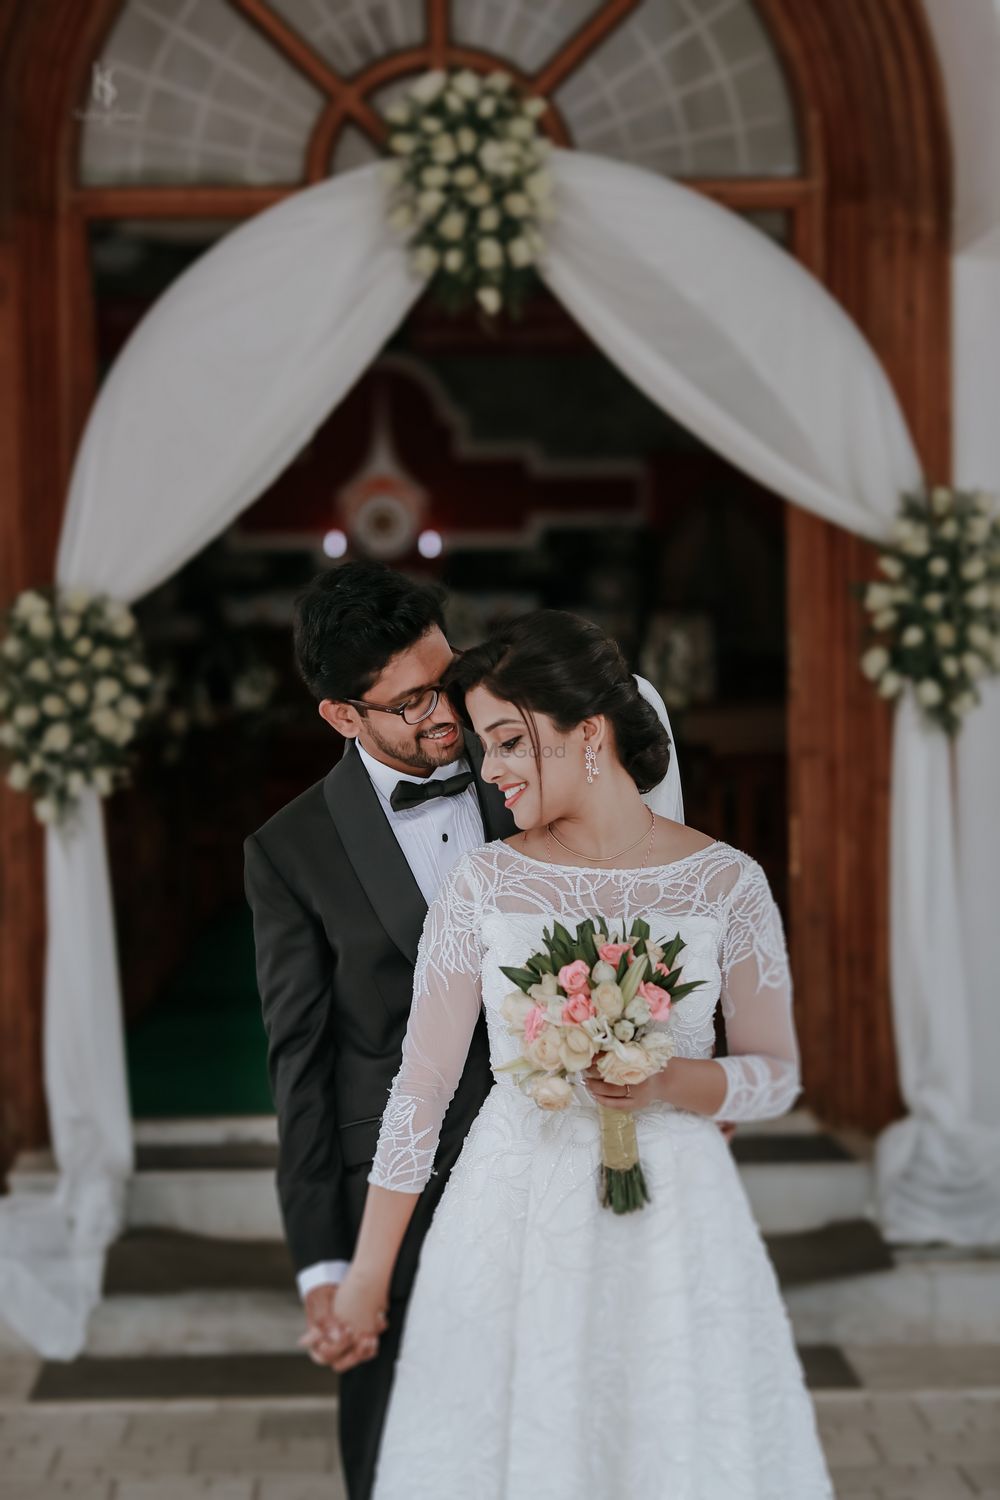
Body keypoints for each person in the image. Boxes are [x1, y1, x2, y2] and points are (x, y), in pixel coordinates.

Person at [329, 608, 835, 1499]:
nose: (491, 771)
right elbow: (421, 1090)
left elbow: (776, 1076)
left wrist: (671, 1079)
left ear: (589, 733)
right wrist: (366, 1276)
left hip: (676, 1221)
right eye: (485, 746)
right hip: (514, 1216)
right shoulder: (484, 884)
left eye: (510, 742)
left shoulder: (727, 882)